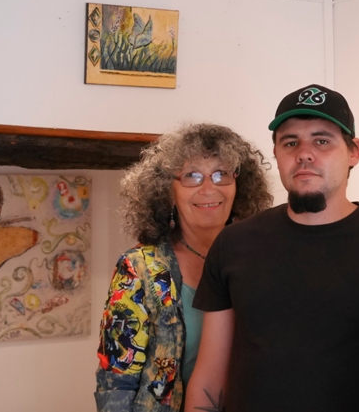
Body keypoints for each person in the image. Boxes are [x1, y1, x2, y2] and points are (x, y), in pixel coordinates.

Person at [185, 84, 359, 412]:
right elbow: (209, 379)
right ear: (276, 154)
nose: (304, 153)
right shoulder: (234, 245)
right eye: (290, 142)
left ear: (354, 151)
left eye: (322, 141)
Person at [94, 123, 273, 412]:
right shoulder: (139, 268)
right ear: (168, 191)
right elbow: (116, 381)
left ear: (239, 185)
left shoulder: (263, 260)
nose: (209, 188)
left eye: (221, 174)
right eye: (192, 176)